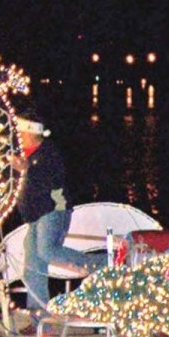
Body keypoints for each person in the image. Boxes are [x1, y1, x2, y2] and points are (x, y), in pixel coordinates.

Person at [12, 113, 102, 314]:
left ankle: (99, 264)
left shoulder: (48, 153)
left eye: (21, 130)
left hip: (53, 211)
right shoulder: (23, 155)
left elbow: (50, 183)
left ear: (30, 132)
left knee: (47, 250)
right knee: (33, 267)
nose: (17, 133)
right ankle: (39, 315)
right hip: (35, 217)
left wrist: (27, 170)